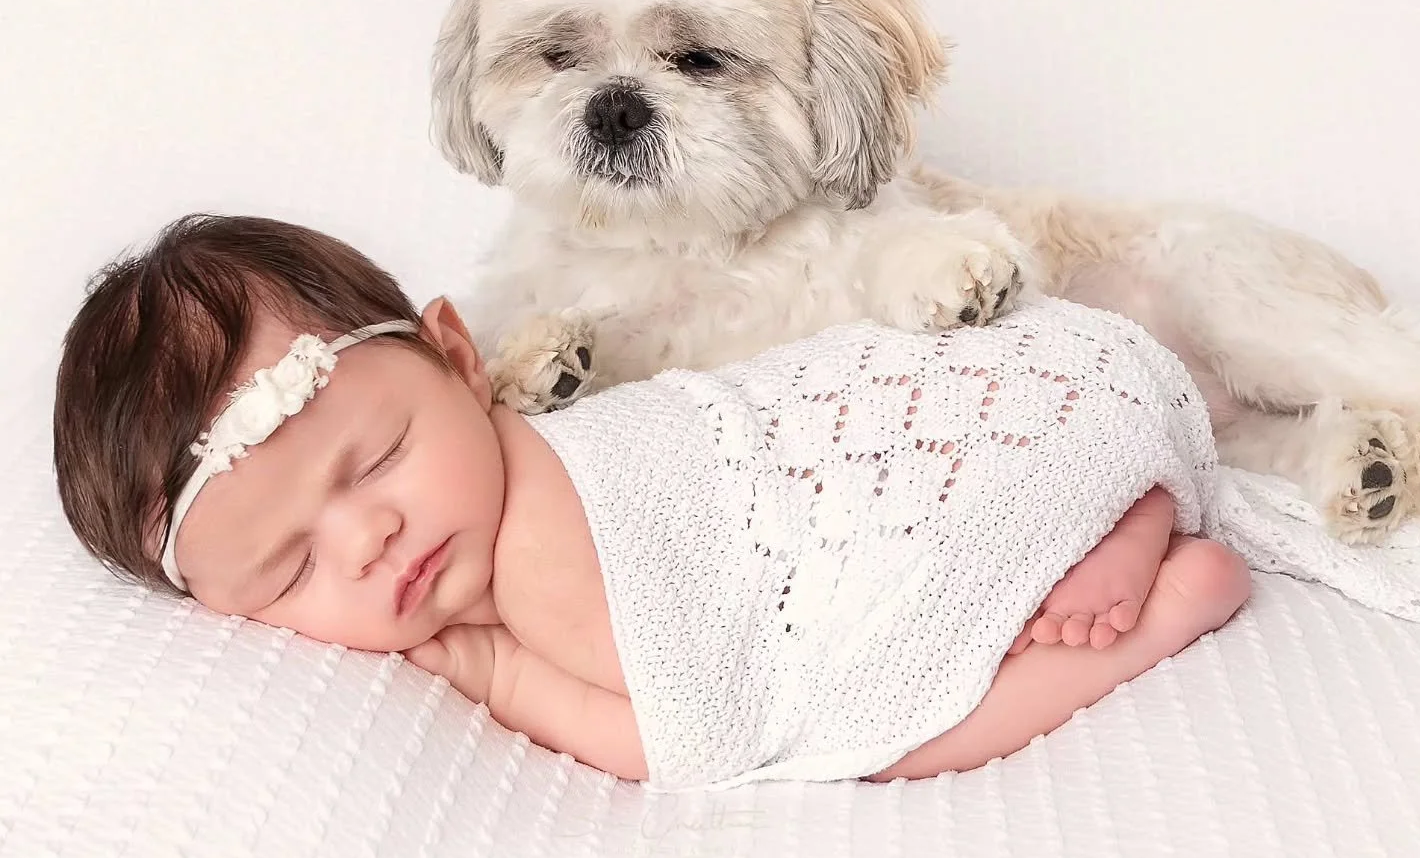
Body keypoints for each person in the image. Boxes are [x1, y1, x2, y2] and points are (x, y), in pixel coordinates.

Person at [53, 215, 1249, 790]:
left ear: (459, 359)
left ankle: (1149, 568)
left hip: (979, 389)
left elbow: (705, 724)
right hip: (1053, 380)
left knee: (890, 730)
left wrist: (492, 674)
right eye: (288, 573)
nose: (368, 540)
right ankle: (1101, 506)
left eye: (377, 460)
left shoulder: (552, 523)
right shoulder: (471, 536)